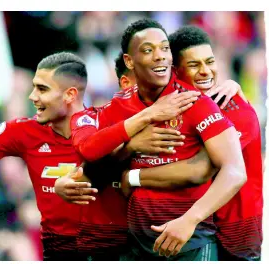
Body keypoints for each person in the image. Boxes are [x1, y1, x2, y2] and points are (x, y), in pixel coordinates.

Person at [0, 51, 197, 260]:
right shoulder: (23, 132)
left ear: (70, 95)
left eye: (42, 89)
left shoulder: (114, 125)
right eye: (33, 87)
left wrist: (227, 89)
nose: (32, 97)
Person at [70, 18, 246, 261]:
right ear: (129, 62)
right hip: (136, 245)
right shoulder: (120, 106)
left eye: (164, 48)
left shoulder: (193, 102)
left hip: (191, 242)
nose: (160, 56)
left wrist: (189, 220)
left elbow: (235, 171)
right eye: (148, 50)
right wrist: (136, 136)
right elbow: (91, 157)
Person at [169, 25, 263, 261]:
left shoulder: (234, 108)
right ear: (175, 71)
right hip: (199, 227)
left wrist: (134, 176)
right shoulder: (176, 109)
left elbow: (201, 167)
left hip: (238, 230)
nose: (205, 71)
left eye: (210, 62)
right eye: (194, 65)